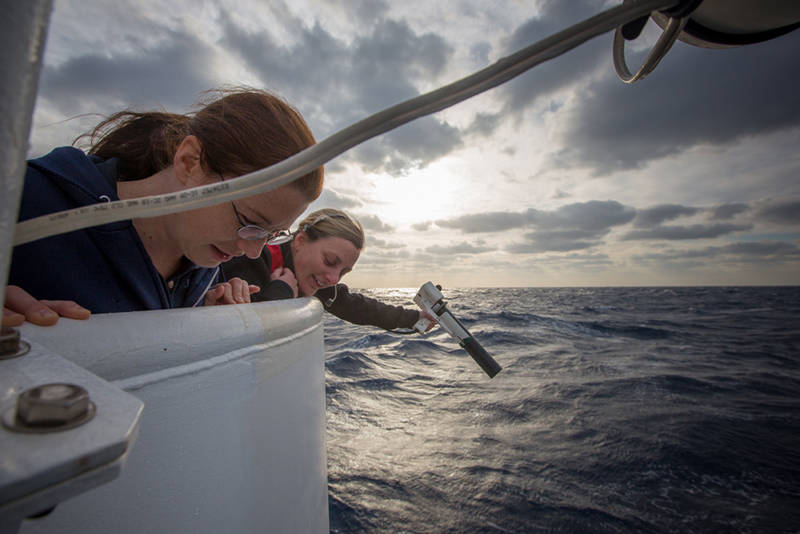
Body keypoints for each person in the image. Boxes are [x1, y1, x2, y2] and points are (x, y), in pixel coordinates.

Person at [2, 88, 323, 327]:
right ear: (189, 161)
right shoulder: (21, 199)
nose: (253, 252)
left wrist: (205, 324)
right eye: (250, 222)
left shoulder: (205, 272)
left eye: (270, 234)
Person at [222, 208, 432, 331]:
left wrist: (416, 318)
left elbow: (358, 307)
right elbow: (238, 332)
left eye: (343, 272)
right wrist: (281, 292)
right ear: (301, 241)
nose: (333, 278)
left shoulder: (312, 277)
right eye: (330, 261)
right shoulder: (252, 257)